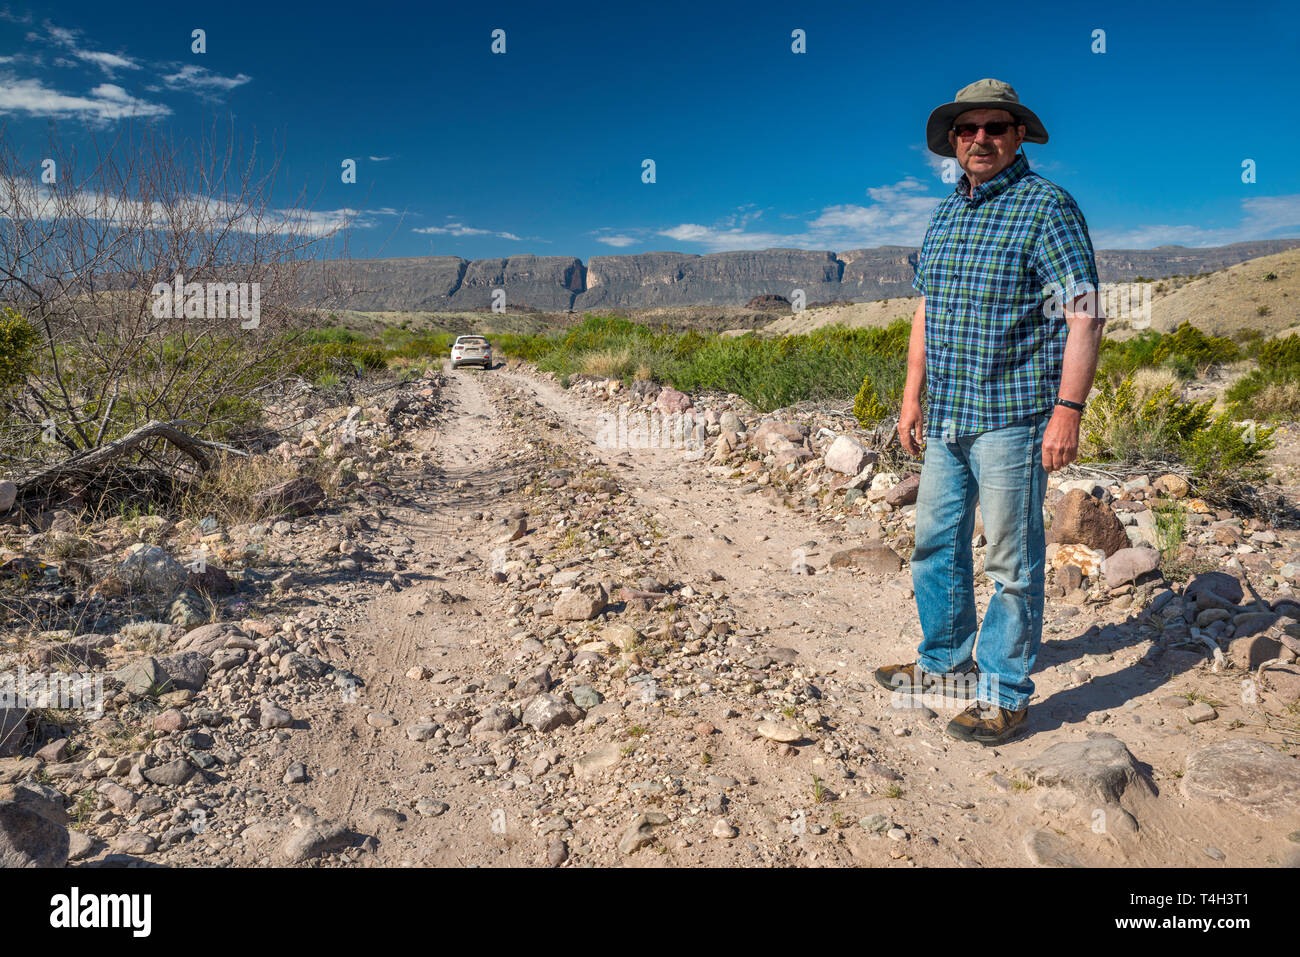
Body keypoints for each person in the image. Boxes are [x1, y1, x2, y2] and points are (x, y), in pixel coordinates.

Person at [873, 78, 1105, 746]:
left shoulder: (1047, 208)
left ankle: (1004, 692)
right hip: (946, 414)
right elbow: (926, 309)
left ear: (1019, 135)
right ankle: (944, 661)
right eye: (968, 130)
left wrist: (1068, 410)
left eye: (995, 128)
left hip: (1013, 416)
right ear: (953, 141)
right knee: (936, 544)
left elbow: (1083, 312)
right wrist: (911, 394)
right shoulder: (946, 213)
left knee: (1011, 561)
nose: (980, 139)